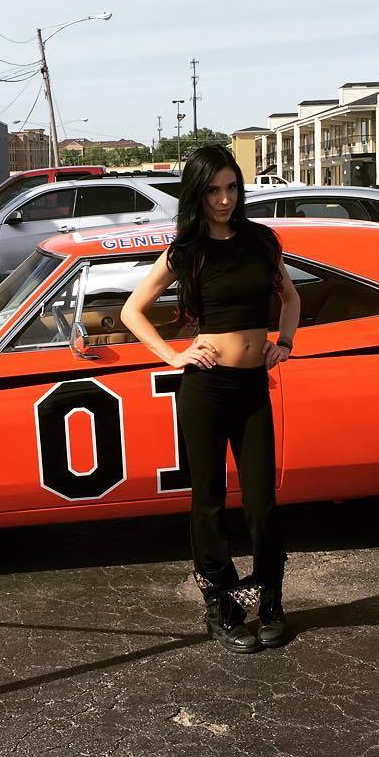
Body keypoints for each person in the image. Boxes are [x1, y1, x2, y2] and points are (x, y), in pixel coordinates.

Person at [121, 146, 300, 652]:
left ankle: (270, 596)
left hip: (250, 387)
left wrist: (283, 342)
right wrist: (172, 355)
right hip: (205, 388)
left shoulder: (262, 241)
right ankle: (219, 602)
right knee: (209, 501)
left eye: (232, 188)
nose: (224, 199)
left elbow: (289, 297)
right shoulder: (187, 251)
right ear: (197, 194)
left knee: (262, 501)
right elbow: (133, 311)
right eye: (214, 190)